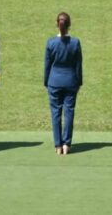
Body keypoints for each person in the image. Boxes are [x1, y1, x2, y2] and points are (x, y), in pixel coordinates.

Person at [43, 12, 83, 155]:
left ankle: (58, 145)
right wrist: (79, 82)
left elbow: (47, 65)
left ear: (57, 24)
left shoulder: (51, 42)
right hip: (71, 80)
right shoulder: (75, 42)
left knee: (55, 113)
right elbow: (78, 65)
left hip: (54, 80)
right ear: (69, 25)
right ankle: (67, 144)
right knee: (69, 112)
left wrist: (46, 82)